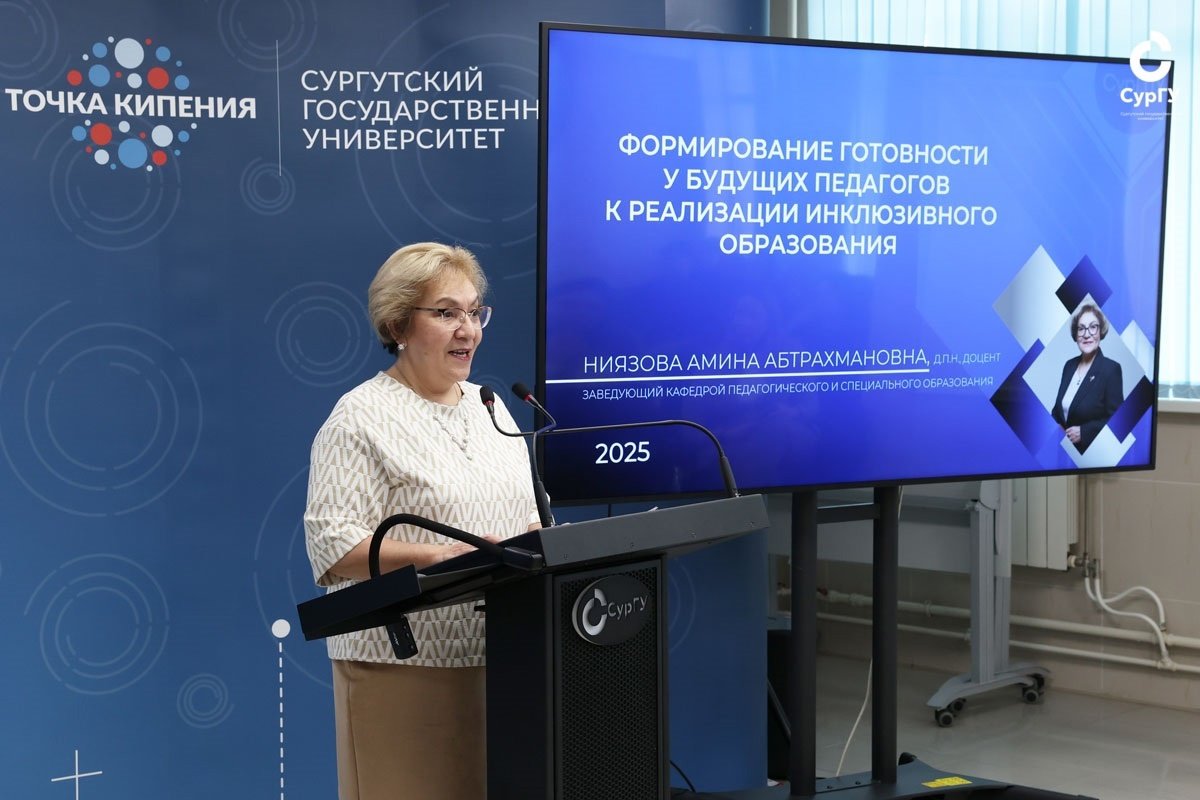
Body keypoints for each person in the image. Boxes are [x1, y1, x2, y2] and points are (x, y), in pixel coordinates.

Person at [303, 242, 539, 800]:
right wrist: (437, 557)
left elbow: (530, 516)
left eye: (475, 312)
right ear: (398, 324)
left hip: (506, 655)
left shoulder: (489, 405)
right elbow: (333, 543)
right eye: (447, 313)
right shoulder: (359, 417)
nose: (468, 329)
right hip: (404, 665)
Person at [1052, 302, 1123, 453]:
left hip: (1091, 454)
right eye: (1081, 328)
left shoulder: (1111, 369)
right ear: (1075, 334)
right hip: (1062, 452)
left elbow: (1118, 422)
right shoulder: (1069, 366)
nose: (1086, 334)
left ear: (1100, 331)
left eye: (1093, 327)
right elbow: (1057, 411)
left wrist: (1084, 432)